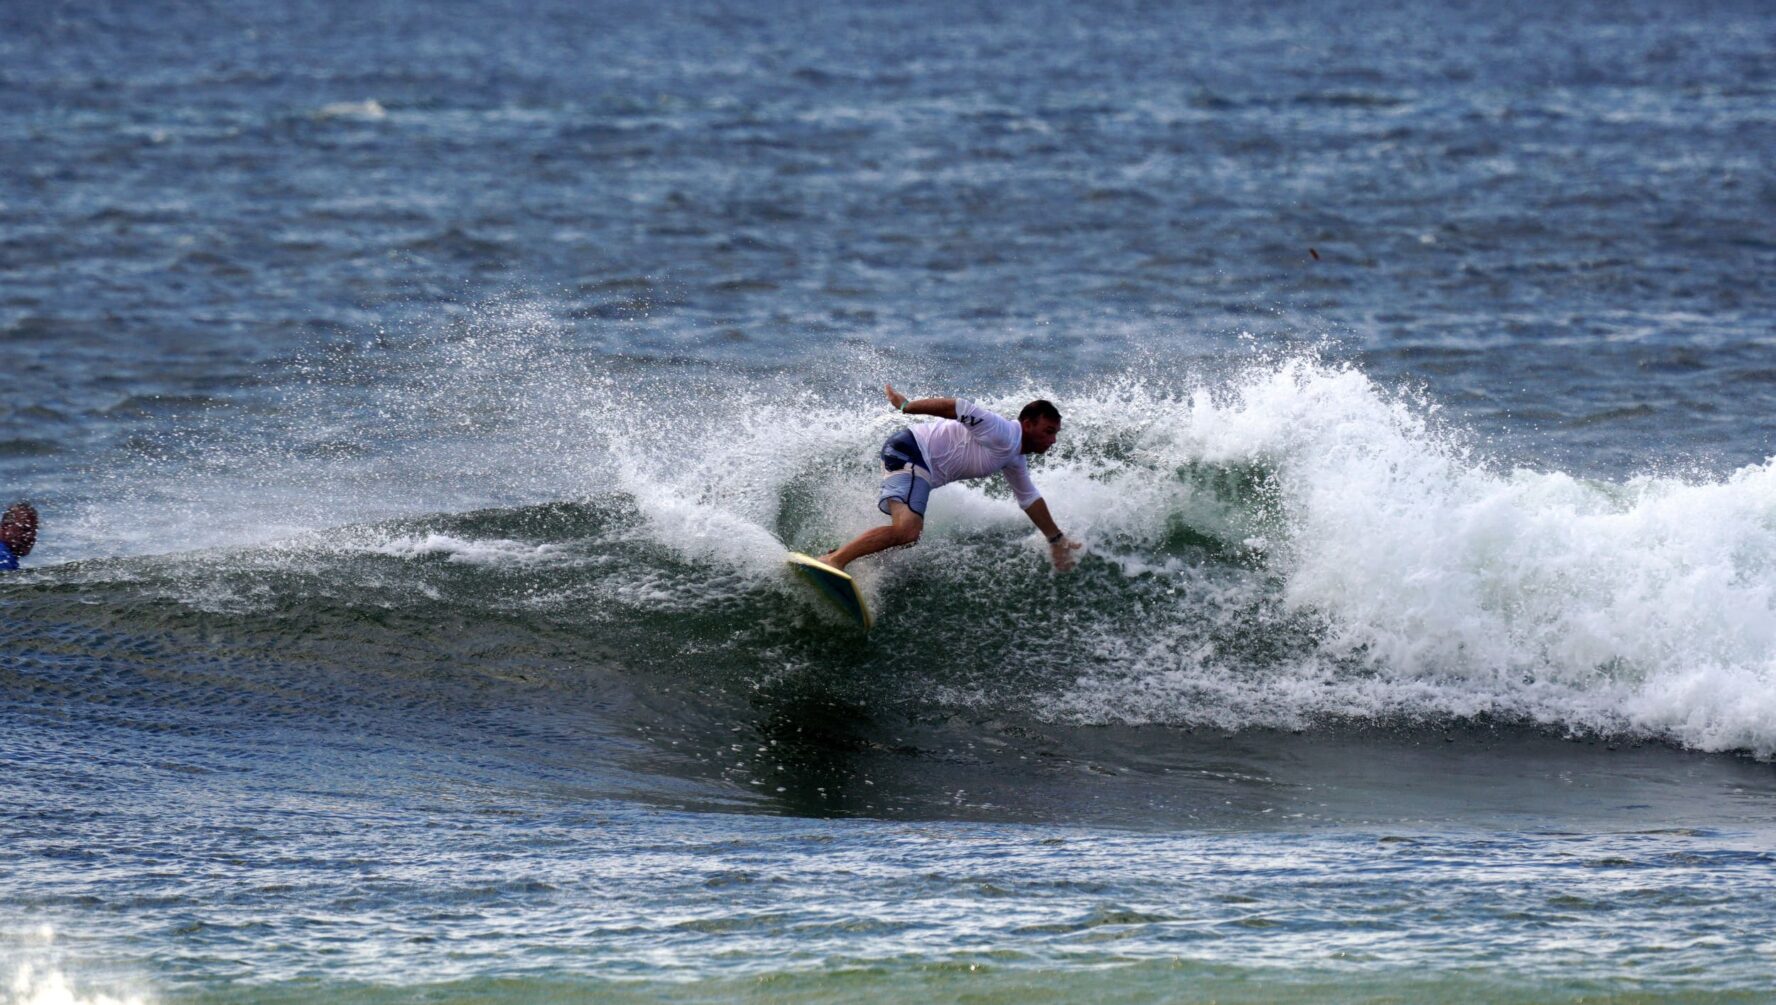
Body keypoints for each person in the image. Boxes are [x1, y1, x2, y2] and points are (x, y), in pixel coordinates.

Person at [821, 385, 1081, 572]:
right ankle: (836, 560)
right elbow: (956, 407)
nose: (1052, 440)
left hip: (913, 458)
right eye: (1048, 431)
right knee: (908, 531)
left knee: (907, 535)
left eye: (1055, 433)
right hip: (912, 451)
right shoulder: (1003, 432)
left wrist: (1056, 539)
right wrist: (905, 406)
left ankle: (838, 556)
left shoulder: (1014, 455)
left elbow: (1029, 498)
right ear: (1027, 424)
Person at [0, 502, 38, 571]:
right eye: (25, 529)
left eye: (34, 530)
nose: (31, 536)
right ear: (5, 527)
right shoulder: (3, 557)